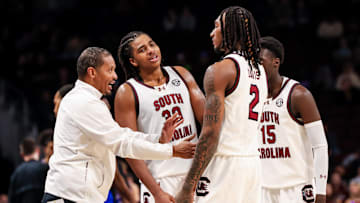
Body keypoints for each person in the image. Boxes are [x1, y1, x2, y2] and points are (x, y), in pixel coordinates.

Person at [42, 47, 196, 203]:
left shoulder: (89, 100)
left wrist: (157, 140)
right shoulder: (84, 101)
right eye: (109, 70)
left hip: (76, 196)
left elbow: (123, 135)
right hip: (70, 197)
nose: (115, 76)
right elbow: (121, 142)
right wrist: (170, 150)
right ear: (92, 72)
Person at [176, 6, 268, 203]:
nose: (211, 33)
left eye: (216, 27)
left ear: (229, 31)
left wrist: (188, 185)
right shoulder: (260, 70)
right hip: (252, 164)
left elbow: (210, 134)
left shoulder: (219, 70)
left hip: (225, 164)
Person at [115, 31, 205, 203]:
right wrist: (156, 192)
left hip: (196, 175)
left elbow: (208, 120)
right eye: (142, 49)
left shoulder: (181, 74)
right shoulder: (127, 92)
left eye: (151, 44)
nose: (150, 50)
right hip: (160, 179)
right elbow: (130, 149)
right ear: (133, 61)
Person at [258, 36, 328, 203]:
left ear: (276, 62)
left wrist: (321, 192)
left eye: (260, 61)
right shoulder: (250, 98)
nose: (255, 66)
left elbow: (320, 146)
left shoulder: (299, 95)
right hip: (262, 187)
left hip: (297, 188)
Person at [8, 136, 49, 203]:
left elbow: (12, 199)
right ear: (37, 150)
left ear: (22, 154)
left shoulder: (16, 173)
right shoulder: (45, 169)